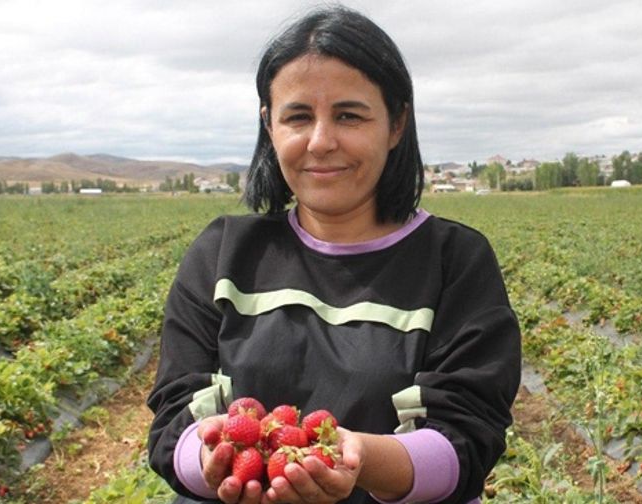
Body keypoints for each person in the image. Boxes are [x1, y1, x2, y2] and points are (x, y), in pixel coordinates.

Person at [147, 6, 520, 504]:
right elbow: (176, 416)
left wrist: (357, 459)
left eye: (348, 115)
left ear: (396, 124)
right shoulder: (223, 256)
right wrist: (216, 461)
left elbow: (468, 437)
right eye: (298, 116)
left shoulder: (454, 260)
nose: (321, 142)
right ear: (270, 125)